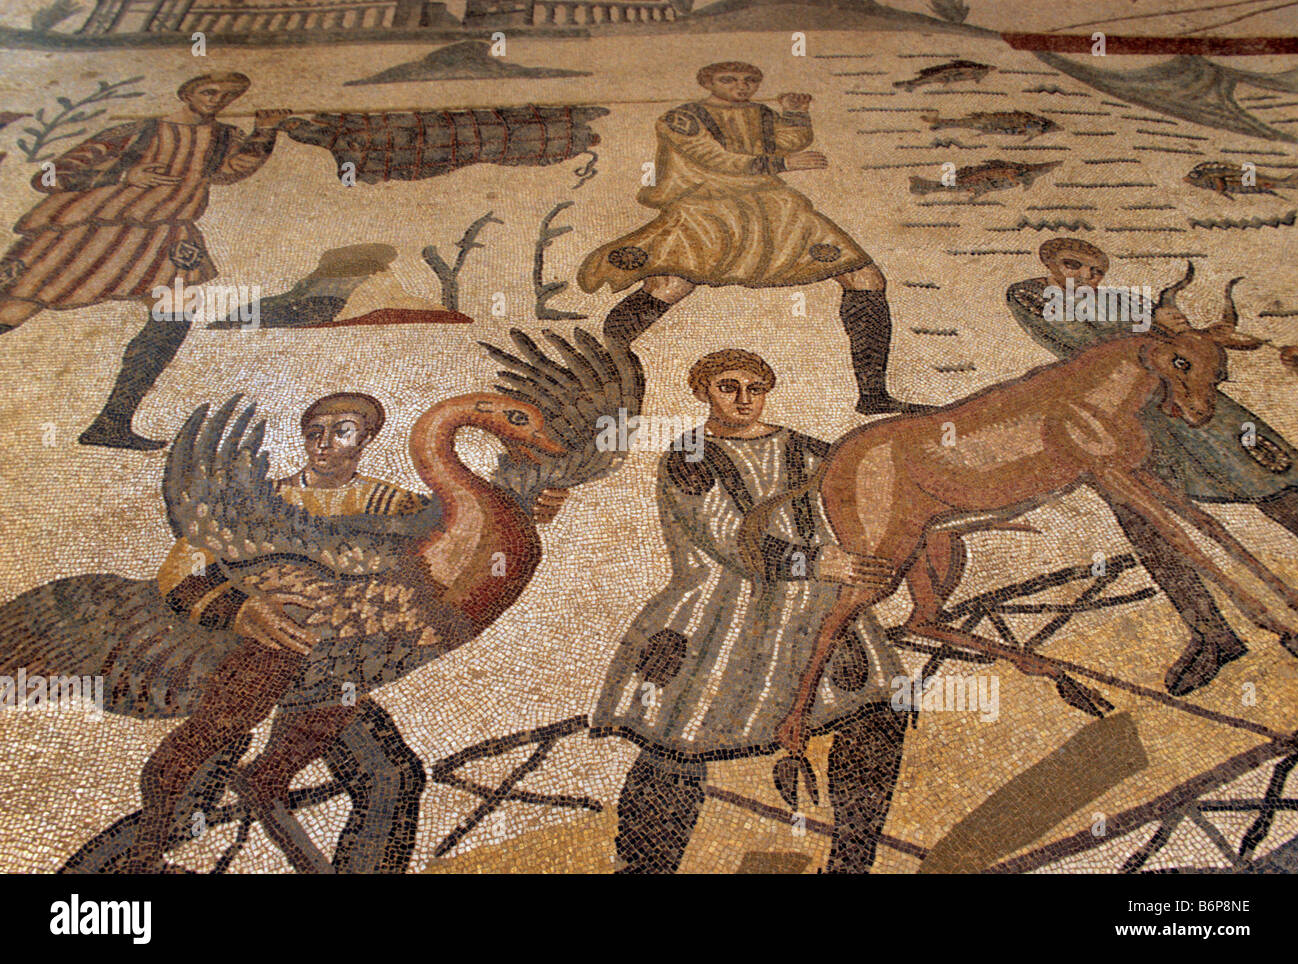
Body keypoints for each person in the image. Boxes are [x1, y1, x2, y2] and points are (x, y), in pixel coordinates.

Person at [144, 390, 566, 871]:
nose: (324, 444)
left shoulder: (391, 503)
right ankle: (139, 855)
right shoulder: (266, 500)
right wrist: (240, 612)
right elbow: (181, 570)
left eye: (341, 432)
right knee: (204, 762)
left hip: (336, 671)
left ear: (365, 439)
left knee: (391, 776)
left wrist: (521, 507)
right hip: (257, 656)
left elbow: (462, 536)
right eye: (314, 433)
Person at [591, 349, 905, 873]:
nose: (743, 400)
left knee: (877, 716)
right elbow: (730, 540)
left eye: (754, 388)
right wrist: (821, 561)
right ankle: (644, 868)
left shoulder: (807, 450)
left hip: (815, 609)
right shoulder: (689, 456)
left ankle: (852, 863)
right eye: (728, 387)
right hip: (720, 614)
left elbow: (870, 491)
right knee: (677, 743)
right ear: (702, 392)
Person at [1007, 238, 1298, 695]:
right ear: (1048, 262)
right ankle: (1212, 634)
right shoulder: (1031, 297)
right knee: (1147, 524)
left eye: (1096, 271)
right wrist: (1151, 325)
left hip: (1195, 405)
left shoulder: (1126, 303)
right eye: (1074, 266)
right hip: (1126, 421)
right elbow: (1077, 339)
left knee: (1275, 483)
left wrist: (1176, 329)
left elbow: (1187, 346)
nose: (1086, 277)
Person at [577, 62, 928, 415]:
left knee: (865, 277)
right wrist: (784, 163)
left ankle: (873, 394)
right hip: (708, 208)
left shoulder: (759, 112)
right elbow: (715, 159)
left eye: (749, 81)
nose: (741, 86)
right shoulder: (683, 119)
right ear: (708, 82)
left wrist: (795, 113)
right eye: (728, 80)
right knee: (669, 285)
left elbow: (790, 140)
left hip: (772, 207)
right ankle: (605, 367)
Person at [0, 72, 290, 449]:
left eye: (228, 95)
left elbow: (229, 172)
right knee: (16, 308)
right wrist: (125, 172)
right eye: (209, 91)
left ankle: (111, 422)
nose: (217, 99)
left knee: (171, 320)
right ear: (187, 93)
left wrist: (265, 130)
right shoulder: (138, 132)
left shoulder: (222, 136)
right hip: (95, 231)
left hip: (164, 235)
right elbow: (50, 176)